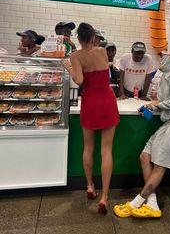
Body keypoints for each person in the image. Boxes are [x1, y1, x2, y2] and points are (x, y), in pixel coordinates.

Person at [114, 49, 170, 218]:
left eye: (165, 57)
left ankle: (137, 202)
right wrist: (149, 110)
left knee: (159, 166)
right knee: (144, 156)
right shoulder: (166, 76)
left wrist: (156, 104)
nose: (161, 59)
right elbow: (164, 105)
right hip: (168, 124)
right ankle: (152, 203)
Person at [63, 22, 119, 214]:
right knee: (106, 151)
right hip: (107, 100)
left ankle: (89, 186)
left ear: (78, 38)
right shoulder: (103, 52)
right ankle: (104, 197)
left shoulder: (75, 56)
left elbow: (79, 80)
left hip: (90, 101)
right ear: (94, 37)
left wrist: (68, 66)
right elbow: (92, 52)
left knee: (88, 148)